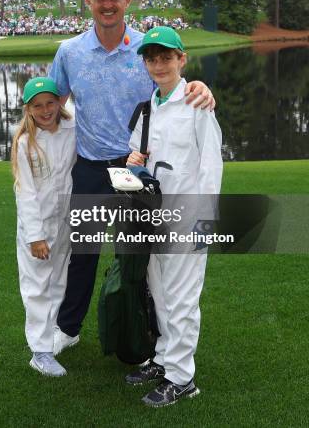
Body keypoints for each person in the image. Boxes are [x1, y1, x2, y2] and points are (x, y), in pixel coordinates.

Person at [49, 0, 215, 356]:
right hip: (90, 167)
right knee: (83, 254)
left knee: (141, 255)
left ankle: (152, 332)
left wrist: (200, 86)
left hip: (135, 170)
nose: (108, 4)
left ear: (128, 0)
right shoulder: (69, 51)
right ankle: (68, 328)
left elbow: (172, 84)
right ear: (88, 1)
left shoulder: (146, 49)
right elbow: (52, 102)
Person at [125, 26, 223, 407]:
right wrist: (133, 162)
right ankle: (165, 358)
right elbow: (137, 159)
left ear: (182, 59)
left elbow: (212, 167)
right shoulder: (148, 109)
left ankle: (182, 379)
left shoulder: (198, 104)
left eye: (167, 56)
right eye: (152, 57)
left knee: (183, 299)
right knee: (161, 296)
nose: (159, 63)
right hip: (154, 218)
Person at [11, 76, 76, 377]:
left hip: (65, 224)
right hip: (36, 229)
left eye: (51, 102)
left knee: (58, 282)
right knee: (37, 287)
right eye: (38, 105)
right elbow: (25, 193)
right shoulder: (25, 143)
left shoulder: (72, 129)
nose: (46, 110)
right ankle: (39, 351)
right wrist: (35, 236)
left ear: (59, 102)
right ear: (29, 109)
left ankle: (51, 337)